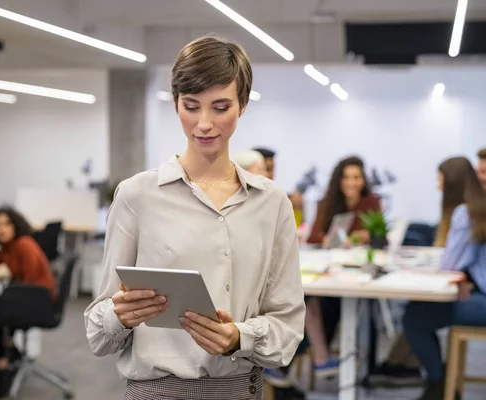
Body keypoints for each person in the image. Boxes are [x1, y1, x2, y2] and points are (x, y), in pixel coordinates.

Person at [84, 34, 305, 400]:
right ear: (175, 103)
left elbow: (287, 325)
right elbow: (96, 333)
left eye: (220, 107)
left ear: (243, 105)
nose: (204, 123)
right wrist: (119, 314)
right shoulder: (137, 195)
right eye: (191, 106)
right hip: (157, 390)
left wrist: (238, 337)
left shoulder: (273, 202)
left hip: (241, 390)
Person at [404, 156, 486, 400]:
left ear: (451, 183)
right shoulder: (480, 208)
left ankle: (438, 384)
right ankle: (443, 381)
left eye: (440, 181)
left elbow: (449, 266)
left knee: (414, 316)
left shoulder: (465, 213)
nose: (438, 187)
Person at [303, 156, 382, 377]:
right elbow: (313, 237)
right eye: (347, 177)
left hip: (357, 272)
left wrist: (366, 236)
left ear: (363, 180)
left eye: (356, 177)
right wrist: (327, 239)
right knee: (323, 306)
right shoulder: (327, 201)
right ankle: (321, 357)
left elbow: (380, 235)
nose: (352, 182)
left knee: (360, 308)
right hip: (330, 272)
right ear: (339, 180)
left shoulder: (372, 201)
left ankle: (362, 369)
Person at [0, 207, 56, 398]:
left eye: (7, 224)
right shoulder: (7, 248)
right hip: (25, 298)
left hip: (39, 303)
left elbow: (28, 284)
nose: (2, 229)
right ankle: (10, 353)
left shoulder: (23, 244)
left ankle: (3, 362)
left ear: (16, 225)